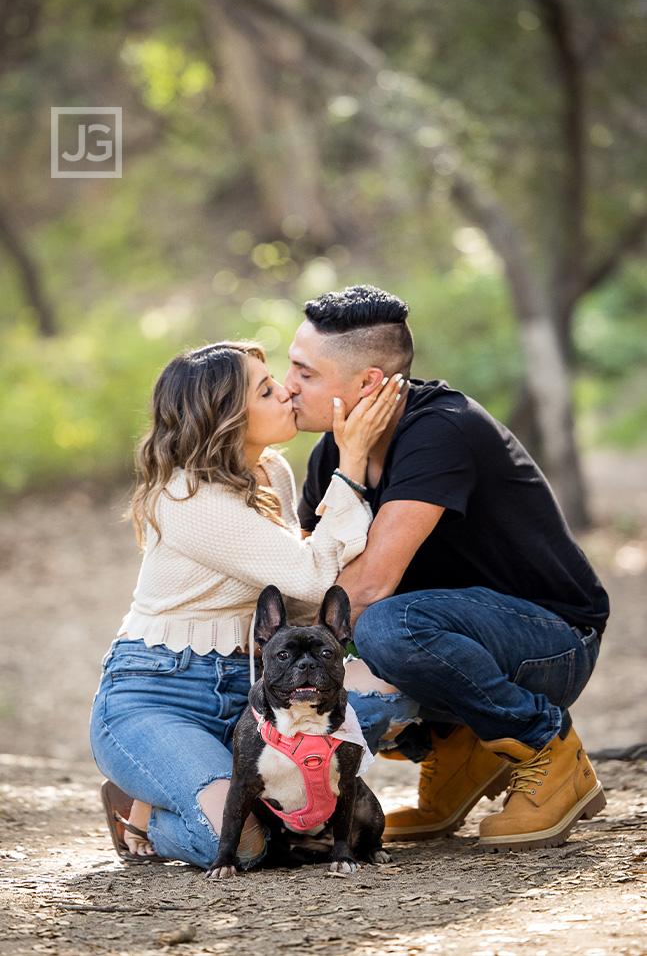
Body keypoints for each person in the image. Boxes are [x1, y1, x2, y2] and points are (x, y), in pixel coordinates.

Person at [286, 284, 610, 852]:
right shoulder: (333, 455)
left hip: (552, 642)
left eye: (305, 373)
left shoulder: (442, 430)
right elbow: (308, 577)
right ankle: (456, 748)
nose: (289, 386)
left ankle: (547, 748)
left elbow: (363, 588)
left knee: (378, 628)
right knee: (332, 660)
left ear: (368, 384)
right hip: (451, 638)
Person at [89, 340, 413, 870]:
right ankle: (142, 810)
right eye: (266, 389)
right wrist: (351, 460)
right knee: (246, 845)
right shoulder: (187, 496)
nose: (287, 390)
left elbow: (299, 602)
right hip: (160, 695)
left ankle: (278, 792)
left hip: (260, 688)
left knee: (391, 685)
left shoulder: (272, 473)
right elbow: (312, 574)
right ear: (226, 419)